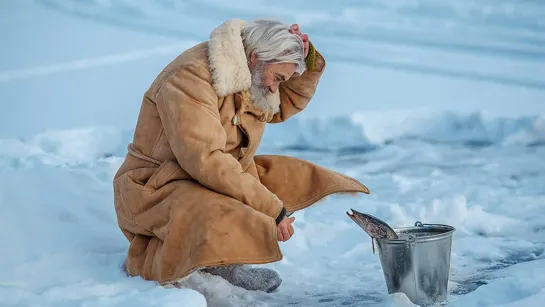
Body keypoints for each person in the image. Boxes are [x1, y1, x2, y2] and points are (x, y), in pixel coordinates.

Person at [113, 18, 370, 293]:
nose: (275, 89)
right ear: (254, 58)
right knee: (231, 205)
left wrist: (308, 61)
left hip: (199, 175)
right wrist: (272, 209)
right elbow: (207, 159)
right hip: (153, 187)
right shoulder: (190, 76)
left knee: (288, 178)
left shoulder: (252, 73)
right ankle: (164, 267)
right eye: (278, 78)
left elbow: (281, 104)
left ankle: (223, 264)